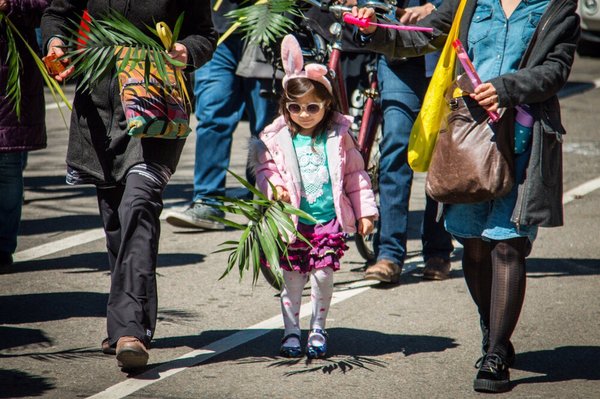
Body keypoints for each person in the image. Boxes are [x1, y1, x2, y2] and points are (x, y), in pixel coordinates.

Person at [352, 0, 579, 393]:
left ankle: (494, 354)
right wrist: (374, 31)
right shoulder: (470, 3)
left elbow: (556, 70)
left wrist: (508, 88)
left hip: (523, 139)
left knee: (507, 244)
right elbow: (421, 37)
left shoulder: (557, 8)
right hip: (467, 139)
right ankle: (495, 332)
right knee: (473, 245)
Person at [41, 0, 217, 369]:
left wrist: (186, 50)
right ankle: (134, 323)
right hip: (100, 106)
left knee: (138, 203)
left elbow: (204, 34)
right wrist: (55, 43)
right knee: (117, 223)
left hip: (157, 102)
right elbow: (58, 13)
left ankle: (129, 331)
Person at [250, 35, 378, 359]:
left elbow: (355, 176)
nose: (304, 114)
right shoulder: (276, 139)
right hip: (294, 224)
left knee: (323, 276)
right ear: (285, 106)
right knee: (292, 282)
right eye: (295, 107)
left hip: (326, 222)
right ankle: (291, 331)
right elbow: (266, 171)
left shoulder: (338, 137)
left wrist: (364, 213)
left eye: (312, 107)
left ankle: (318, 327)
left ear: (326, 105)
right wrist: (274, 189)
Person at [360, 0, 454, 284]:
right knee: (396, 147)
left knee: (444, 153)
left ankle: (438, 250)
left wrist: (436, 8)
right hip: (398, 53)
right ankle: (388, 254)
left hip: (444, 51)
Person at [164, 0, 278, 230]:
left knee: (266, 127)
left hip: (265, 28)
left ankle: (261, 199)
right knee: (212, 117)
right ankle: (208, 201)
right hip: (216, 31)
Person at [0, 0, 49, 269]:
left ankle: (3, 246)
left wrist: (10, 4)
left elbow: (47, 8)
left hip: (10, 78)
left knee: (7, 166)